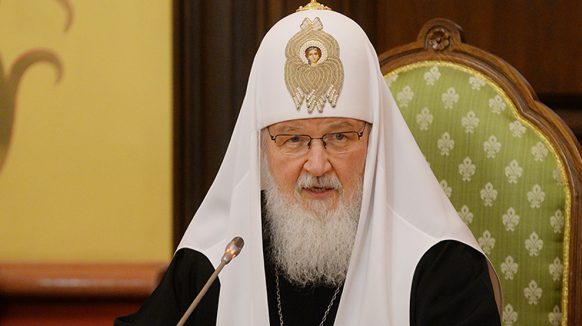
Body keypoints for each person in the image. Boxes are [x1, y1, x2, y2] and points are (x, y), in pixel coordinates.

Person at [116, 4, 502, 326]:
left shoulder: (440, 266)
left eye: (340, 136)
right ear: (262, 148)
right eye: (293, 139)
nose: (317, 165)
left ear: (374, 140)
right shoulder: (217, 262)